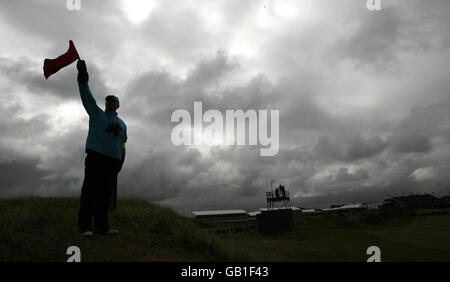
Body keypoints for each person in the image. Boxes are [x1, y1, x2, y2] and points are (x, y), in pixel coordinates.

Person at [76, 60, 127, 237]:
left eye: (113, 101)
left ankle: (102, 227)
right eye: (108, 101)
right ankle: (86, 227)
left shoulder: (122, 124)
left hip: (113, 161)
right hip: (96, 156)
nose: (110, 103)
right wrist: (83, 78)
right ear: (105, 103)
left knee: (105, 195)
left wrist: (122, 158)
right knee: (90, 191)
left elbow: (124, 143)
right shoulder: (96, 113)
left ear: (118, 105)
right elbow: (86, 96)